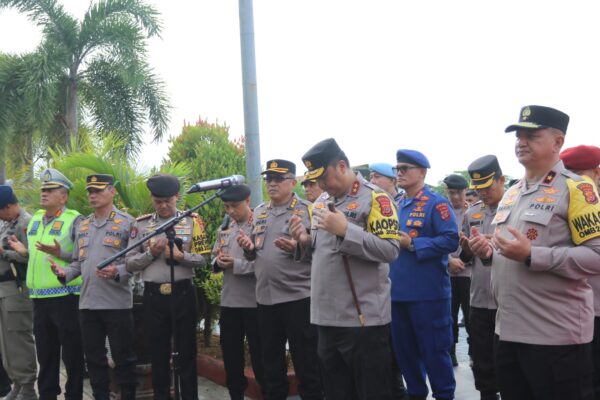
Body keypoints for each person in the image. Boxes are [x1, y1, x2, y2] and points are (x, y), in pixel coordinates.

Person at [468, 105, 600, 399]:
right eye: (518, 136)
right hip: (508, 332)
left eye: (532, 135)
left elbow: (596, 257)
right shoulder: (513, 192)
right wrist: (489, 252)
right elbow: (510, 250)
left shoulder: (577, 190)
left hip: (556, 337)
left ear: (557, 142)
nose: (521, 142)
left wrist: (532, 255)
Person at [290, 138, 401, 400]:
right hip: (325, 318)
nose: (320, 186)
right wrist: (304, 241)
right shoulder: (321, 202)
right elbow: (321, 254)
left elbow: (390, 250)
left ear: (342, 166)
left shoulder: (375, 198)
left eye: (323, 177)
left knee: (371, 392)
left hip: (362, 321)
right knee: (337, 393)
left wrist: (345, 230)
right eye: (315, 180)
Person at [237, 159, 323, 400]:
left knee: (307, 365)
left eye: (278, 179)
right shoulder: (260, 211)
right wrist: (248, 249)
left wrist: (300, 244)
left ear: (293, 182)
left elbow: (322, 252)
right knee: (271, 365)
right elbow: (257, 251)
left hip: (298, 298)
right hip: (265, 299)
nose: (272, 184)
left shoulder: (308, 210)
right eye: (268, 179)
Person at [49, 174, 137, 400]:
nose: (92, 195)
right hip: (87, 304)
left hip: (117, 304)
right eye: (90, 191)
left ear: (112, 191)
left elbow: (137, 262)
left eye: (98, 190)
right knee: (94, 361)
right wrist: (64, 273)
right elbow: (78, 263)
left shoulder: (127, 223)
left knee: (123, 359)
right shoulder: (84, 225)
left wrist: (118, 272)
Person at [126, 174, 210, 400]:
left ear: (177, 197)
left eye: (168, 201)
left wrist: (181, 257)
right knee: (158, 354)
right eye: (158, 201)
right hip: (154, 296)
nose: (163, 206)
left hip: (183, 292)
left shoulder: (192, 221)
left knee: (187, 352)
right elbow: (129, 262)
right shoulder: (141, 225)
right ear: (152, 199)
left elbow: (204, 259)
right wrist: (150, 254)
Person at [8, 169, 85, 400]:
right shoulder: (36, 220)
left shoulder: (74, 218)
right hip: (39, 298)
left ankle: (74, 395)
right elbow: (39, 256)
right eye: (43, 189)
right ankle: (48, 395)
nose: (44, 193)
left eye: (50, 190)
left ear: (64, 196)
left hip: (66, 296)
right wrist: (25, 251)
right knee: (46, 354)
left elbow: (82, 257)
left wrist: (60, 253)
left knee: (72, 353)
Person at [389, 149, 458, 400]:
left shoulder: (436, 202)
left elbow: (451, 240)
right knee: (405, 354)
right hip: (397, 295)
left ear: (422, 172)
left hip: (428, 295)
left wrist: (414, 244)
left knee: (434, 352)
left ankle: (444, 395)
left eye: (405, 168)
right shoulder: (397, 203)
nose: (400, 173)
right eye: (398, 169)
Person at [211, 184, 264, 400]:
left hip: (254, 303)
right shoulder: (225, 227)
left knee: (261, 359)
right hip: (230, 303)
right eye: (226, 207)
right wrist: (218, 262)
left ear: (248, 201)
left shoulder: (259, 226)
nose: (231, 211)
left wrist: (237, 264)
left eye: (235, 206)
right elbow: (214, 256)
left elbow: (266, 265)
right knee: (232, 359)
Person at [459, 155, 504, 400]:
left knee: (508, 361)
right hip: (478, 297)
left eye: (488, 186)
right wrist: (466, 247)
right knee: (481, 358)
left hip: (505, 300)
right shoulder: (471, 213)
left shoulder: (514, 208)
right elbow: (465, 257)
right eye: (478, 188)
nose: (483, 193)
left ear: (501, 180)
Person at [560, 145, 600, 399]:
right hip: (575, 312)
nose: (571, 181)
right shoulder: (564, 204)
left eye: (578, 174)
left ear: (597, 173)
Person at [0, 186, 37, 400]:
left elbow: (32, 258)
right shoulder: (7, 223)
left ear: (7, 207)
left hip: (17, 288)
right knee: (6, 342)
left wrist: (5, 253)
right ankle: (16, 384)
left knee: (19, 339)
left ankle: (28, 387)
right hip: (4, 291)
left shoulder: (26, 223)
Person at [443, 174, 471, 367]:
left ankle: (473, 352)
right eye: (451, 192)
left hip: (469, 272)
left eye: (459, 193)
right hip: (447, 272)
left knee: (471, 317)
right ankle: (450, 352)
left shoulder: (474, 212)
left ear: (466, 191)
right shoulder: (441, 212)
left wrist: (461, 259)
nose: (455, 197)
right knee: (449, 316)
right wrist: (448, 261)